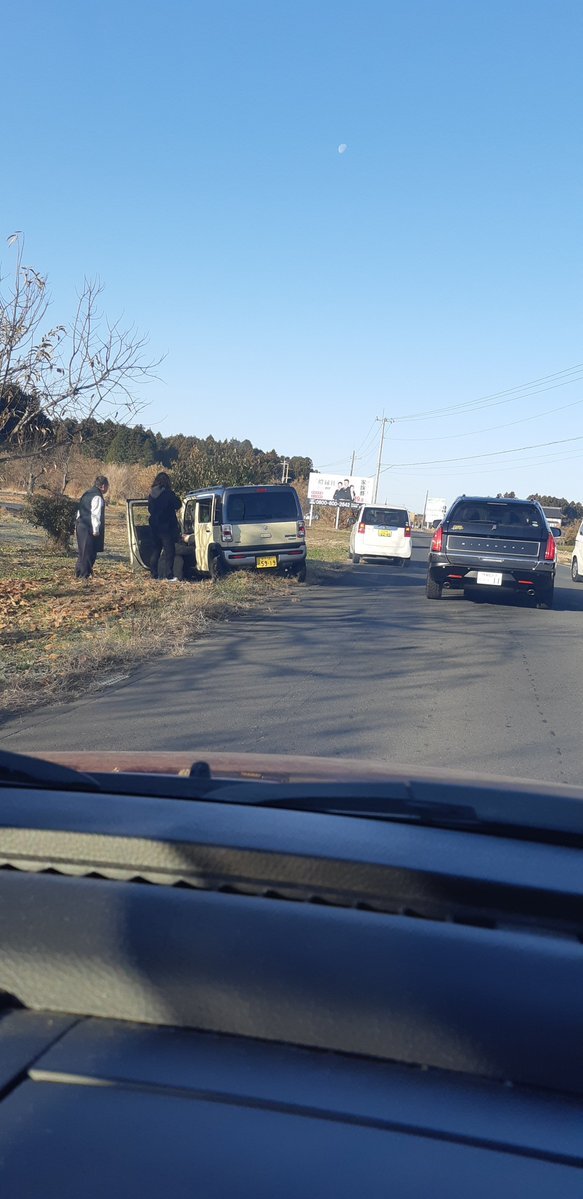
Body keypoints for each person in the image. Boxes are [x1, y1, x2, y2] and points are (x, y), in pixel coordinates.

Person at [148, 472, 182, 580]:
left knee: (156, 550)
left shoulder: (151, 495)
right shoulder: (168, 494)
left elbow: (150, 509)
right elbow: (178, 504)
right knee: (169, 551)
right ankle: (169, 575)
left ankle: (154, 574)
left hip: (154, 526)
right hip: (166, 527)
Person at [75, 475, 109, 580]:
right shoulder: (97, 497)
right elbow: (95, 514)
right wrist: (95, 530)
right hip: (89, 527)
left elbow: (80, 510)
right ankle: (84, 575)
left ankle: (79, 572)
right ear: (103, 486)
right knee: (89, 552)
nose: (108, 489)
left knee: (82, 551)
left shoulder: (87, 493)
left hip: (80, 524)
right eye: (108, 486)